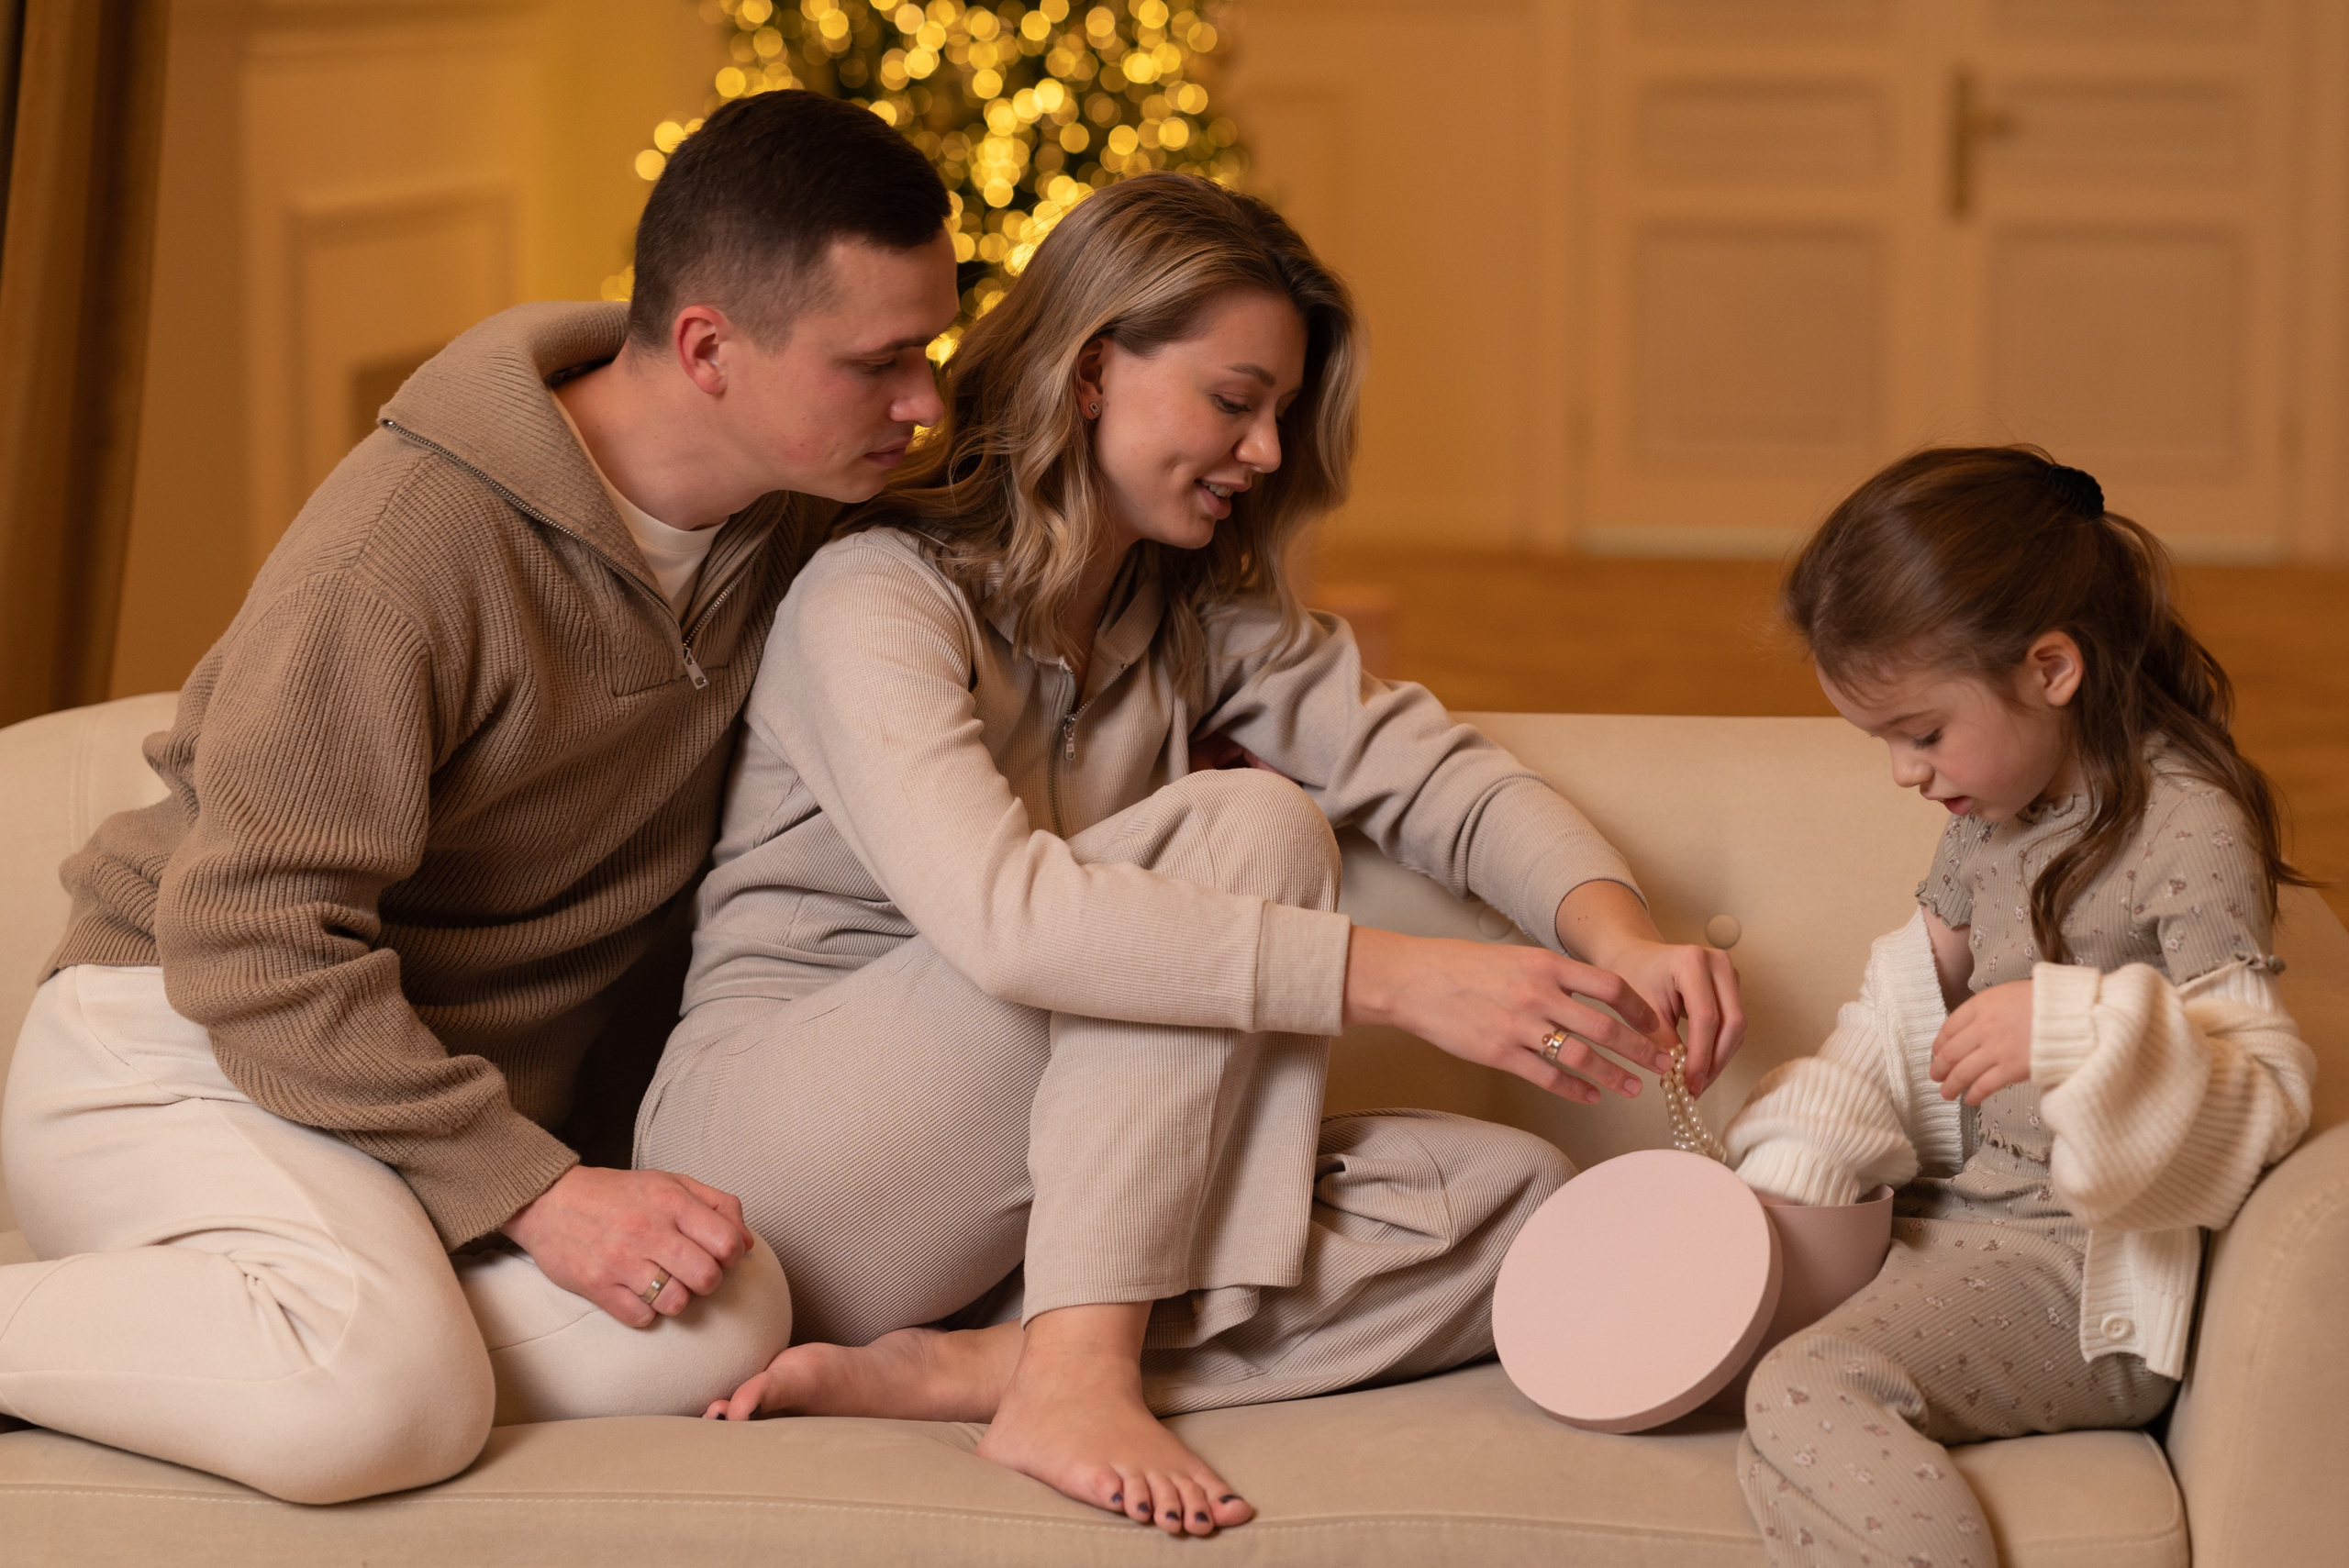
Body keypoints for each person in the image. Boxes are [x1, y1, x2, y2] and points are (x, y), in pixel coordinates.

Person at [639, 172, 1747, 1537]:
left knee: (1509, 1202)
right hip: (779, 1173)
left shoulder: (1188, 623)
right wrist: (1403, 981)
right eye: (1235, 401)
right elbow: (1013, 926)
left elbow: (1438, 778)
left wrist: (1615, 932)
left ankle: (995, 1357)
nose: (1269, 452)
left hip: (1005, 1206)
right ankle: (1080, 1373)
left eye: (1280, 412)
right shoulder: (871, 595)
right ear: (1094, 371)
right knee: (1251, 825)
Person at [0, 91, 959, 1503]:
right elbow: (250, 941)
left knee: (724, 1308)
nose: (924, 402)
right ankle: (297, 1335)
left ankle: (283, 1319)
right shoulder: (403, 555)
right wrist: (537, 1193)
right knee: (380, 1399)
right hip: (186, 1041)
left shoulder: (797, 512)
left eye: (930, 353)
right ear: (708, 347)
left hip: (401, 1107)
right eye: (880, 363)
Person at [1721, 447, 2317, 1568]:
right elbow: (1905, 997)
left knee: (1810, 1386)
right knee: (1734, 1347)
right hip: (1958, 1221)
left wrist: (2075, 1027)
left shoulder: (2187, 827)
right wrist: (1802, 1158)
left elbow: (2261, 1085)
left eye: (1920, 731)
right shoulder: (1992, 807)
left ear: (2050, 667)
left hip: (2079, 1270)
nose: (1904, 772)